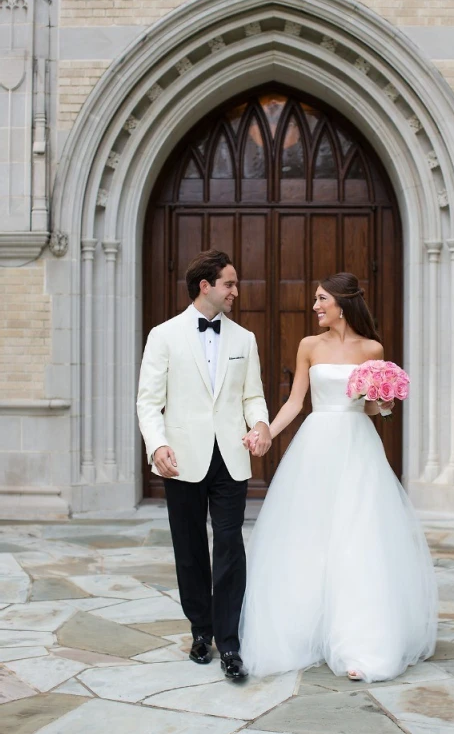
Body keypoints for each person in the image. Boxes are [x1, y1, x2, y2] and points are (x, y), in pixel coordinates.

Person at [240, 272, 437, 682]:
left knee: (358, 537)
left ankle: (359, 641)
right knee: (311, 535)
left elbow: (370, 410)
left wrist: (384, 404)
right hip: (317, 445)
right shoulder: (308, 346)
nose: (315, 306)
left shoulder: (372, 349)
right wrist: (266, 434)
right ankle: (303, 632)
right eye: (316, 299)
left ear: (342, 304)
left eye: (321, 299)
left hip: (358, 446)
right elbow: (296, 402)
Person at [137, 249, 271, 681]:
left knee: (230, 545)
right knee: (190, 550)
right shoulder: (163, 335)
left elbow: (253, 396)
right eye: (230, 283)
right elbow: (148, 401)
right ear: (206, 286)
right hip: (182, 458)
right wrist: (157, 446)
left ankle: (230, 644)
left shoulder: (244, 339)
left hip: (231, 458)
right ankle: (201, 631)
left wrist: (261, 426)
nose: (236, 290)